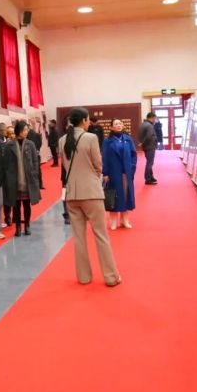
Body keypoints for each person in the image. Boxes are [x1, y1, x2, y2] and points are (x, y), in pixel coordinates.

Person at [60, 107, 121, 287]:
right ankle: (111, 277)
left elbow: (65, 167)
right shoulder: (91, 138)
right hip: (91, 193)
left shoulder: (63, 140)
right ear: (84, 120)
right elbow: (98, 165)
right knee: (101, 236)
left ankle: (84, 277)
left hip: (72, 194)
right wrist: (93, 176)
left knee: (79, 238)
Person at [3, 121, 41, 237]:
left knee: (27, 205)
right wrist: (7, 178)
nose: (27, 131)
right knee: (16, 206)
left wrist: (34, 173)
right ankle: (18, 227)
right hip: (14, 180)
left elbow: (35, 160)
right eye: (25, 129)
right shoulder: (9, 145)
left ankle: (27, 225)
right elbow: (5, 164)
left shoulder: (30, 144)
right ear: (19, 131)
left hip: (28, 179)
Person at [103, 118, 137, 230]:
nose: (118, 125)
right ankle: (113, 221)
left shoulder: (127, 139)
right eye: (116, 124)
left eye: (120, 123)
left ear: (122, 126)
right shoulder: (107, 141)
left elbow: (133, 154)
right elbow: (105, 158)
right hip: (113, 172)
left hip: (126, 172)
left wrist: (132, 167)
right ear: (111, 127)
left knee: (126, 195)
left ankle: (124, 220)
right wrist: (105, 173)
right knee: (114, 196)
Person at [1, 125, 16, 227]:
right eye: (9, 133)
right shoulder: (2, 145)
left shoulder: (18, 145)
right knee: (6, 198)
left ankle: (16, 216)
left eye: (13, 133)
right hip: (5, 176)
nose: (11, 135)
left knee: (16, 197)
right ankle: (7, 216)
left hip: (15, 175)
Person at [139, 112, 158, 185]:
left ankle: (151, 176)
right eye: (155, 118)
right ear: (152, 118)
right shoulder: (149, 125)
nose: (155, 120)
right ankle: (148, 179)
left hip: (146, 146)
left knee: (149, 162)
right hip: (150, 146)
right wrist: (143, 142)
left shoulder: (143, 124)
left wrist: (142, 143)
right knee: (150, 163)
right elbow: (149, 136)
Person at [27, 124, 44, 189]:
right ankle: (40, 184)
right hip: (37, 154)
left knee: (31, 170)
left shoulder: (27, 136)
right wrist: (37, 150)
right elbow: (40, 144)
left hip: (30, 155)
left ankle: (33, 185)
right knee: (38, 169)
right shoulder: (37, 135)